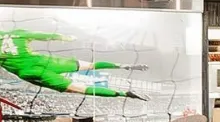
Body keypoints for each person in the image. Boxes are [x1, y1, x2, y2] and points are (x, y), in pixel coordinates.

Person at [0, 29, 147, 99]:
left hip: (29, 72)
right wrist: (66, 37)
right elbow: (46, 36)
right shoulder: (18, 32)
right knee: (89, 65)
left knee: (79, 88)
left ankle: (123, 93)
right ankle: (122, 65)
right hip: (42, 60)